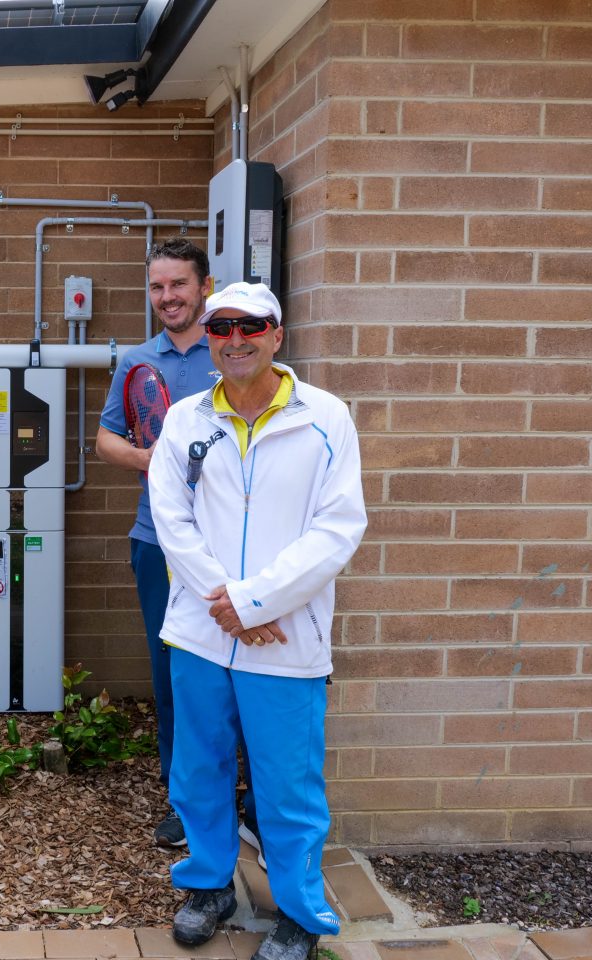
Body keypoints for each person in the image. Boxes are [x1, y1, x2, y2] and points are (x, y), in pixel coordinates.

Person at [148, 281, 366, 959]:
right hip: (203, 634)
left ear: (276, 335)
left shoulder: (325, 418)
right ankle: (209, 885)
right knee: (198, 772)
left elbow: (338, 529)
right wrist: (228, 602)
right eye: (222, 329)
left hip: (286, 639)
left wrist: (256, 603)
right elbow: (170, 518)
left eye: (251, 327)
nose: (235, 340)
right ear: (209, 339)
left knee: (288, 786)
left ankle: (300, 914)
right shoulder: (186, 420)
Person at [96, 238, 227, 848]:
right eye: (157, 287)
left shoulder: (230, 348)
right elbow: (106, 442)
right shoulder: (135, 360)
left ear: (204, 286)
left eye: (178, 285)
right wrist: (155, 458)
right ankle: (183, 801)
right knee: (172, 670)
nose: (167, 297)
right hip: (156, 543)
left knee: (236, 671)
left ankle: (236, 794)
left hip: (231, 543)